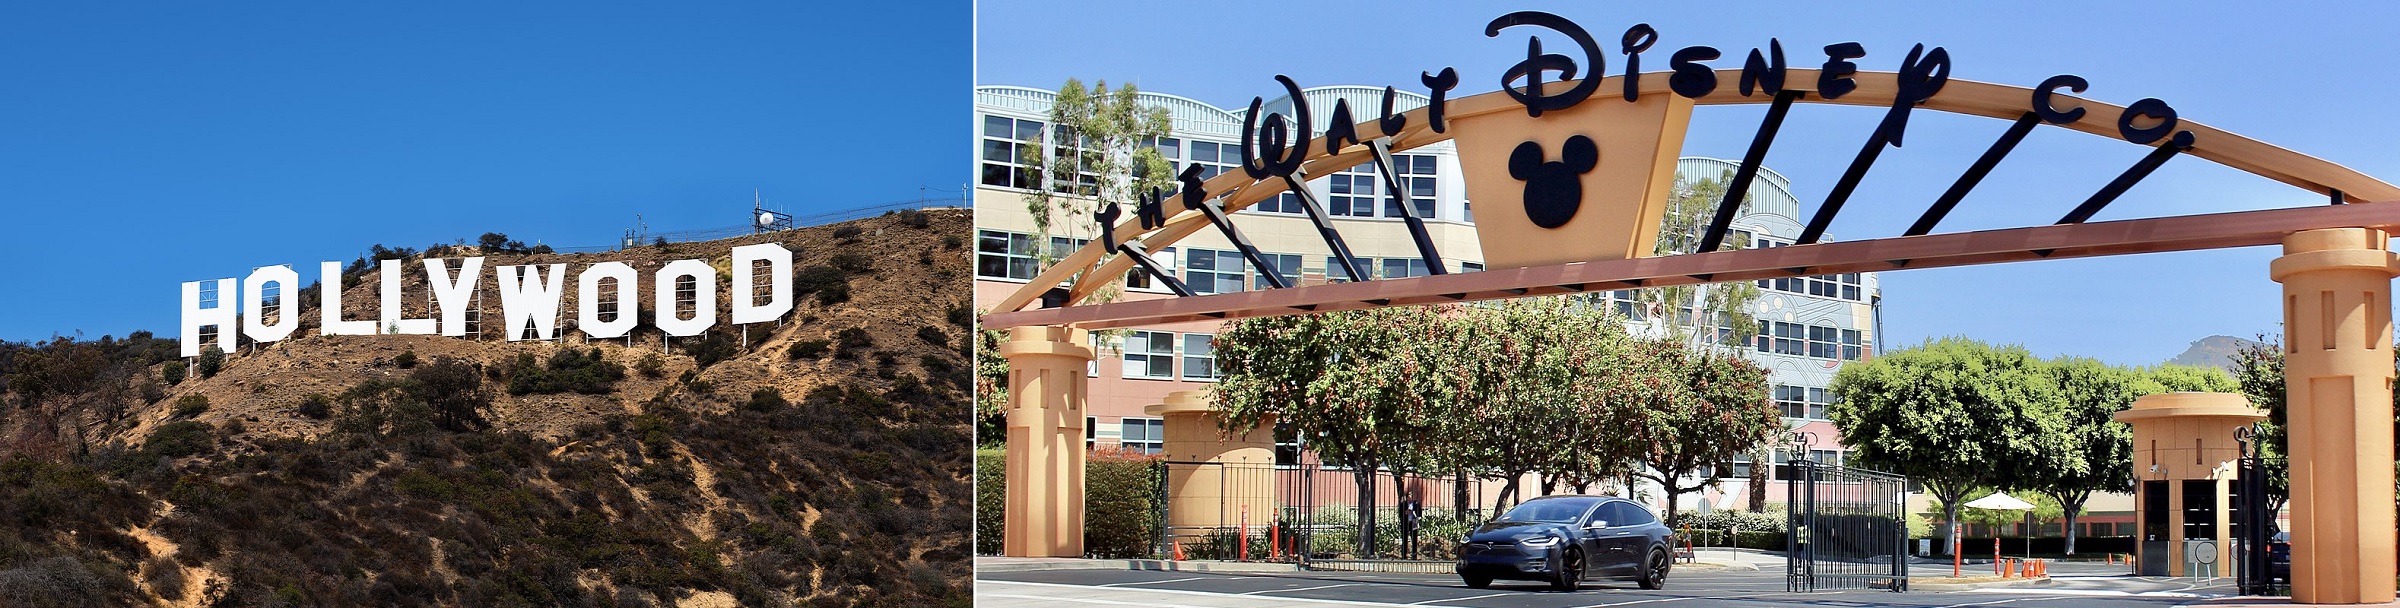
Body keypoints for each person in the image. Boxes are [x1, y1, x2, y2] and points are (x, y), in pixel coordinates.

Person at [1400, 490, 1424, 560]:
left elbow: (1420, 513)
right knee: (1405, 539)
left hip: (1414, 522)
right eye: (1409, 497)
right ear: (1407, 498)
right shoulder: (1403, 504)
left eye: (1411, 496)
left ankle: (1414, 555)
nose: (1410, 498)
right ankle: (1404, 555)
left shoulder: (1416, 503)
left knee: (1414, 539)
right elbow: (1400, 515)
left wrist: (1413, 511)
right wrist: (1405, 512)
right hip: (1406, 523)